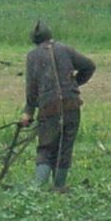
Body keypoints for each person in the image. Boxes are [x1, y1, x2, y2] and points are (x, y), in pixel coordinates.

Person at [18, 20, 96, 190]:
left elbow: (32, 89)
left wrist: (28, 112)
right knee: (64, 148)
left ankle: (36, 188)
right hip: (72, 105)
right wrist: (74, 83)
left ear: (34, 40)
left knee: (46, 148)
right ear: (50, 35)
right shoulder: (65, 49)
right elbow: (89, 66)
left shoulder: (32, 56)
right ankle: (59, 187)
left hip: (49, 109)